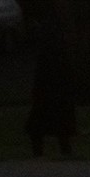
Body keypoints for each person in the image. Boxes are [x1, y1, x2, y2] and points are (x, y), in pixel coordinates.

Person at [25, 16, 77, 156]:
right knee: (58, 123)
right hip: (55, 91)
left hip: (48, 90)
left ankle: (40, 151)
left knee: (41, 123)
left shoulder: (47, 50)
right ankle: (63, 150)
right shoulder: (59, 49)